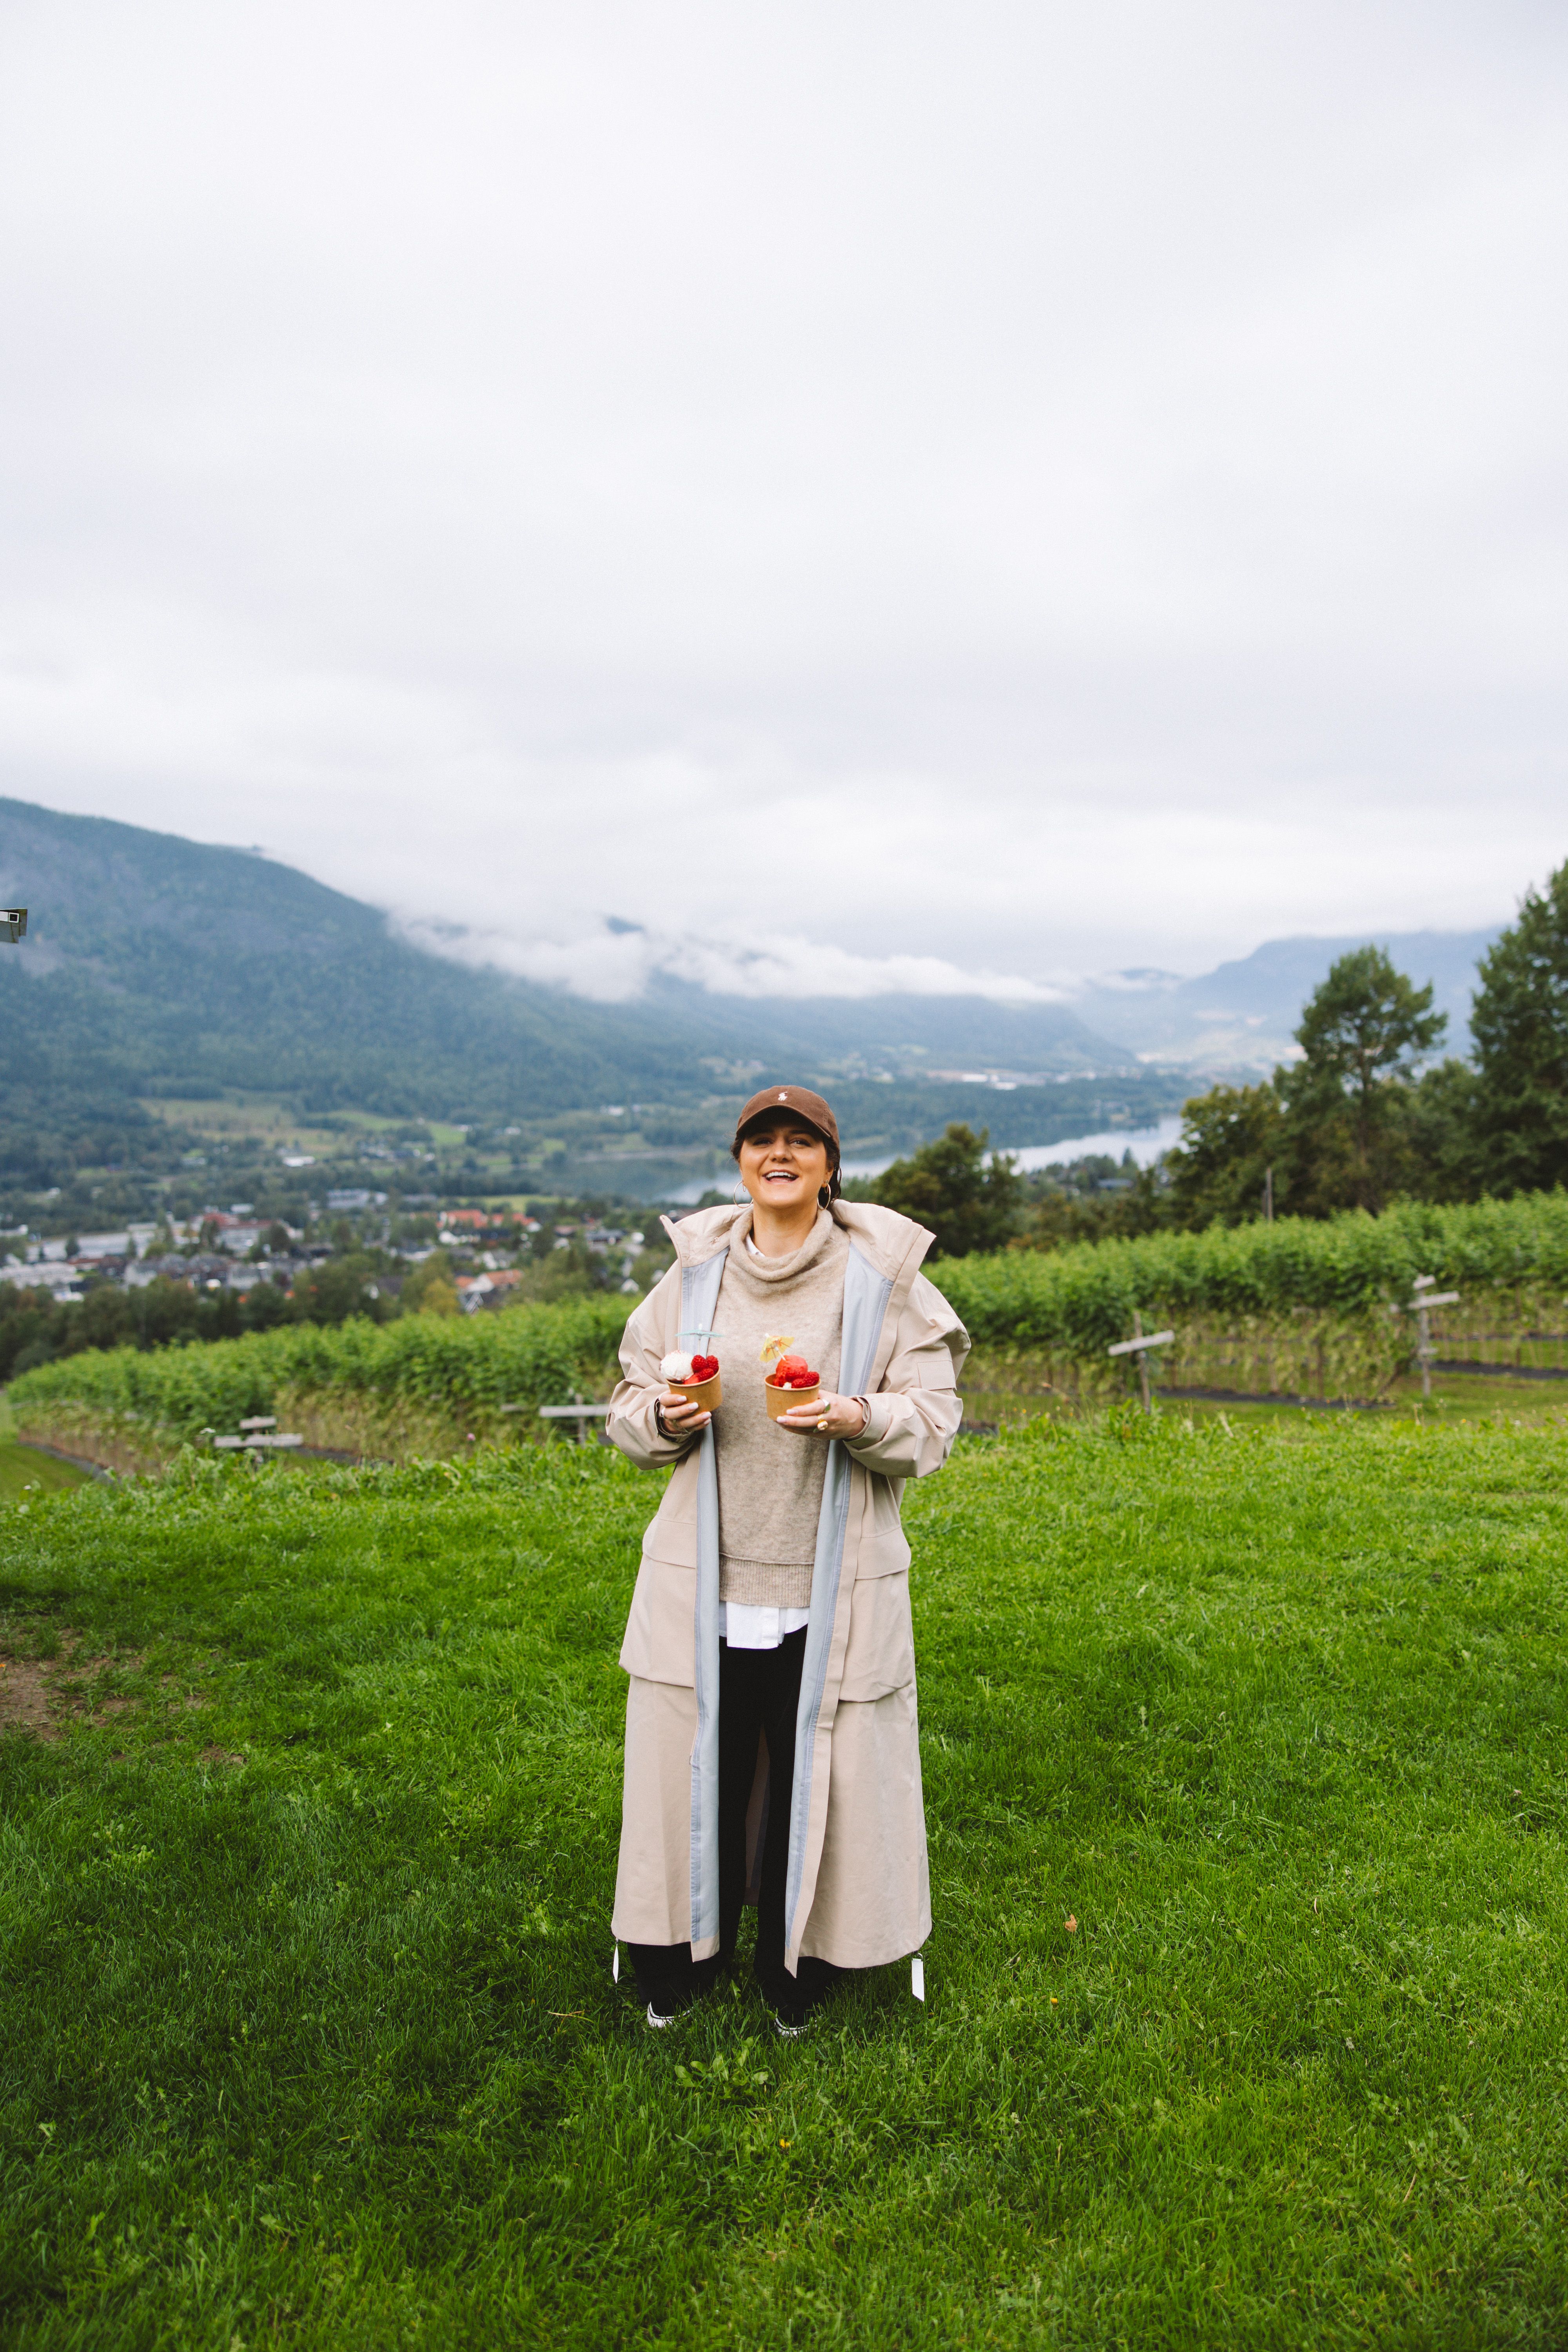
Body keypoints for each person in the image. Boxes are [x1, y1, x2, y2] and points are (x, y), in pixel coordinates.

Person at [605, 1083, 969, 2034]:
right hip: (705, 1577)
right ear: (738, 1162)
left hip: (828, 1578)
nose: (779, 1154)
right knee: (700, 1769)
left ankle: (795, 1967)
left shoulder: (881, 1280)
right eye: (761, 1140)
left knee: (819, 1770)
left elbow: (931, 1420)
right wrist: (662, 1417)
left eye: (799, 1141)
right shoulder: (690, 1281)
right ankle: (678, 1957)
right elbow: (629, 1404)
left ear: (827, 1163)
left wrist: (858, 1415)